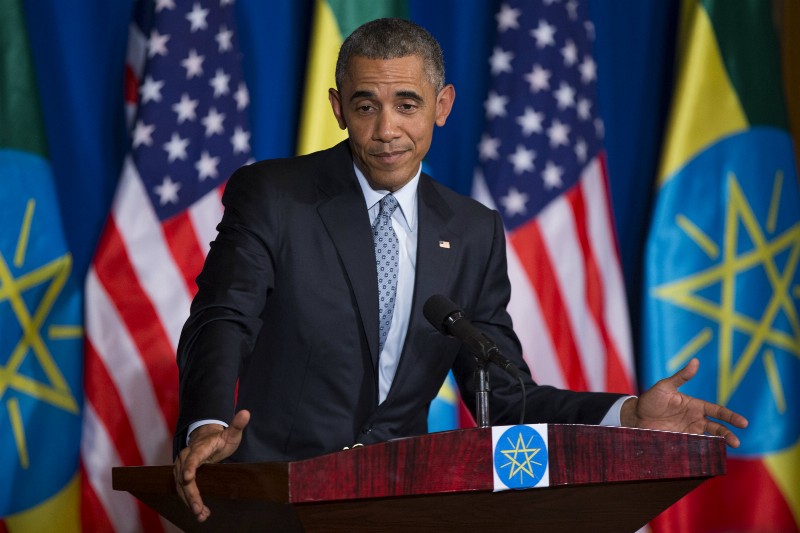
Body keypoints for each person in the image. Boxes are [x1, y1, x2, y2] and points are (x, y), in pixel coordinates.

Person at [173, 18, 747, 523]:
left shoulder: (474, 231)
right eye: (366, 105)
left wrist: (625, 414)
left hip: (397, 505)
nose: (386, 129)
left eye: (407, 103)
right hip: (275, 497)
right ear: (337, 107)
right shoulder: (275, 195)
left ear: (442, 105)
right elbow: (222, 318)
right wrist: (206, 422)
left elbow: (504, 397)